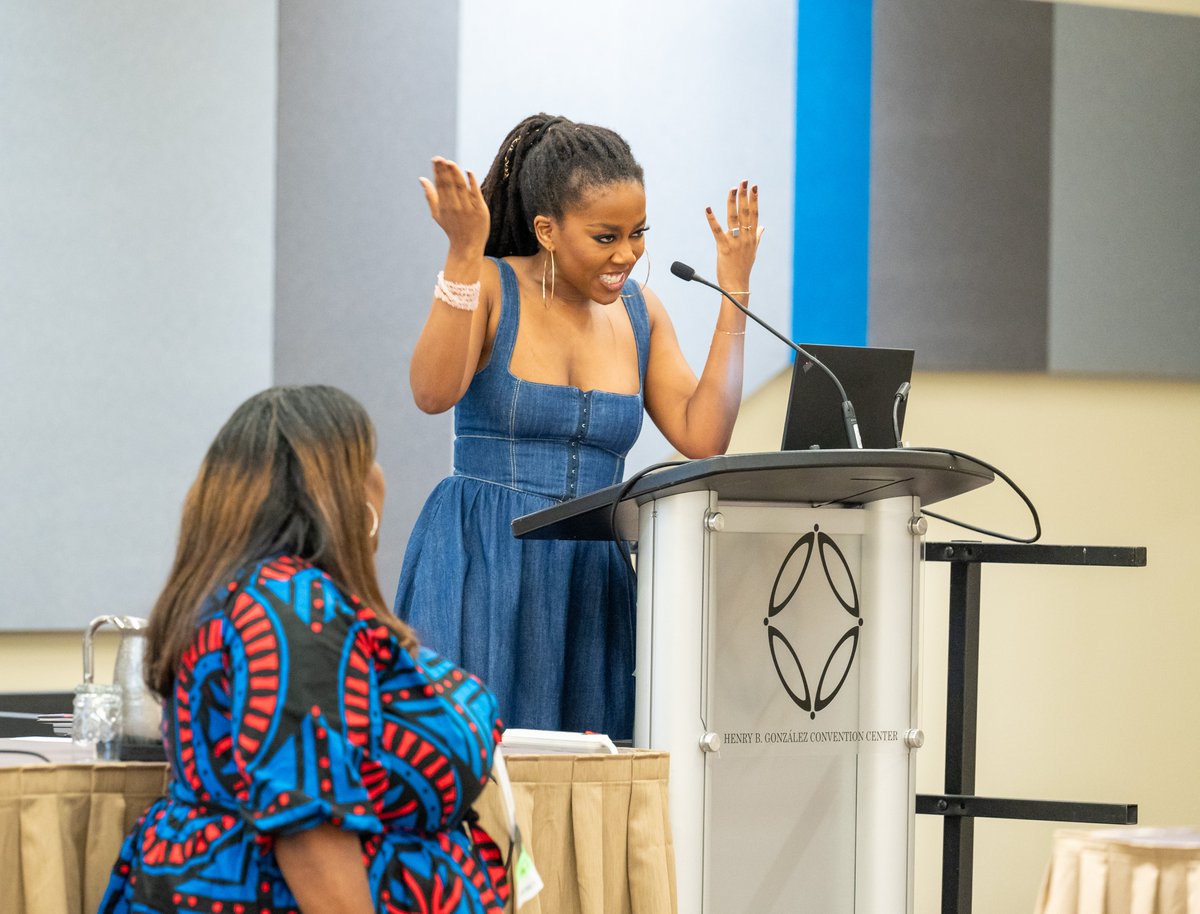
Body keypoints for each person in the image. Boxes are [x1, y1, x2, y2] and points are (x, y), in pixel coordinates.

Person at [395, 113, 762, 740]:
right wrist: (460, 255)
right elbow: (432, 393)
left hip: (592, 576)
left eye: (638, 233)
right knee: (477, 777)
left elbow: (704, 436)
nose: (627, 255)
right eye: (605, 236)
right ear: (547, 230)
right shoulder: (489, 284)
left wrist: (735, 293)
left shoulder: (642, 313)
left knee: (589, 784)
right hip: (484, 559)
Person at [100, 386, 510, 914]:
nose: (382, 475)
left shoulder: (264, 596)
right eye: (368, 457)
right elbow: (311, 830)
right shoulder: (292, 607)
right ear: (338, 487)